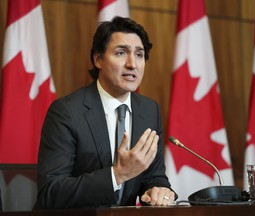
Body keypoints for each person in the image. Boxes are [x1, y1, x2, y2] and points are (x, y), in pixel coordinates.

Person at [34, 16, 177, 209]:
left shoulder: (149, 110)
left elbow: (154, 177)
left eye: (139, 54)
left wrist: (159, 190)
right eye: (121, 53)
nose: (132, 64)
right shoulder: (66, 112)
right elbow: (50, 192)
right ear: (98, 59)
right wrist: (118, 175)